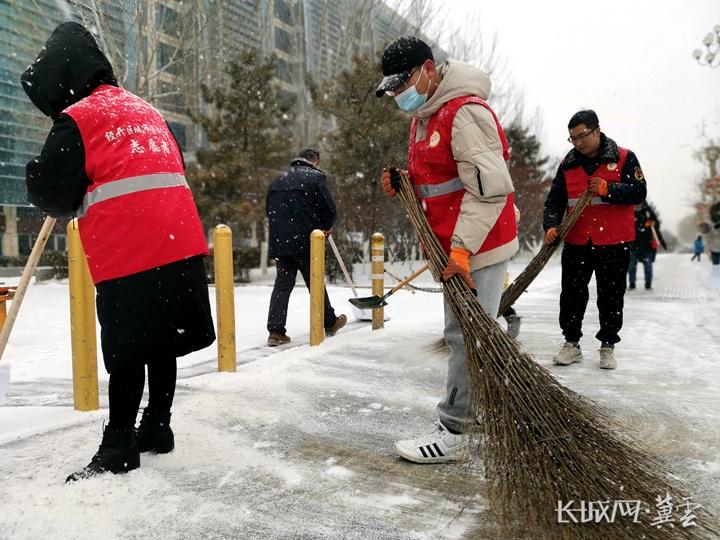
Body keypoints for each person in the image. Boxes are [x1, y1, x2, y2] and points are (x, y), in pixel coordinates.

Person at [22, 23, 216, 481]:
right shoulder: (147, 110)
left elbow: (51, 192)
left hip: (130, 248)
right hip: (178, 239)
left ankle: (118, 446)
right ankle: (158, 427)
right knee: (161, 338)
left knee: (128, 347)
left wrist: (39, 172)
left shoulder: (80, 117)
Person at [376, 36, 518, 463]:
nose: (400, 94)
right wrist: (405, 182)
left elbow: (489, 192)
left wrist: (461, 250)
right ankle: (481, 412)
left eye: (404, 83)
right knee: (469, 335)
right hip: (453, 247)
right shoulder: (425, 115)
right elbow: (445, 178)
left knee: (467, 337)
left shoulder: (465, 112)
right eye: (393, 88)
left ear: (428, 69)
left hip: (476, 246)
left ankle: (457, 430)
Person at [543, 110, 646, 370]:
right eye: (572, 138)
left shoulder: (624, 158)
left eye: (582, 136)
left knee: (610, 295)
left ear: (597, 131)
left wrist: (609, 190)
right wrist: (551, 225)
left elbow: (639, 192)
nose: (578, 142)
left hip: (614, 241)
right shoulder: (568, 164)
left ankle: (608, 345)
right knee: (572, 295)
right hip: (578, 241)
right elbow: (554, 201)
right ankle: (571, 343)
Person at [266, 149, 347, 346]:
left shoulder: (278, 179)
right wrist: (326, 227)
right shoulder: (315, 177)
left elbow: (269, 209)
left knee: (283, 284)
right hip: (306, 239)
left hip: (281, 240)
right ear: (315, 162)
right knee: (315, 280)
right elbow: (328, 207)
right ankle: (329, 322)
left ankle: (276, 331)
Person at [628, 200, 667, 290]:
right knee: (631, 266)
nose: (638, 204)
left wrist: (652, 223)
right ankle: (632, 283)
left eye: (640, 202)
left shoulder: (648, 212)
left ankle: (648, 284)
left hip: (647, 245)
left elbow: (656, 225)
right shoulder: (630, 210)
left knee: (648, 266)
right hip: (633, 245)